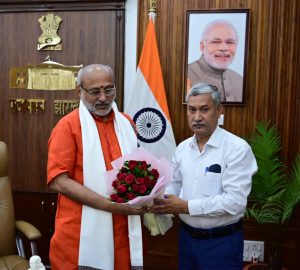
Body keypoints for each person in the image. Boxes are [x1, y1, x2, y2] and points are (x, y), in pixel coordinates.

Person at [149, 83, 257, 269]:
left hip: (221, 242)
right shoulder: (182, 148)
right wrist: (157, 199)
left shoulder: (237, 149)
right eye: (192, 110)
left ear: (219, 110)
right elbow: (174, 185)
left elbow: (234, 202)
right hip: (186, 238)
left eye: (204, 109)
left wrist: (186, 207)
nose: (197, 117)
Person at [47, 64, 145, 270]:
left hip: (123, 231)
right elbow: (59, 182)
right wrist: (111, 206)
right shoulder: (68, 127)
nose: (103, 98)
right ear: (79, 91)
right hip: (79, 234)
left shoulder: (126, 123)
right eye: (95, 91)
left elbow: (137, 170)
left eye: (109, 90)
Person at [188, 20, 243, 102]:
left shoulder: (240, 81)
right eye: (216, 42)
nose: (224, 48)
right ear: (202, 47)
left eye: (230, 42)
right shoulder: (185, 75)